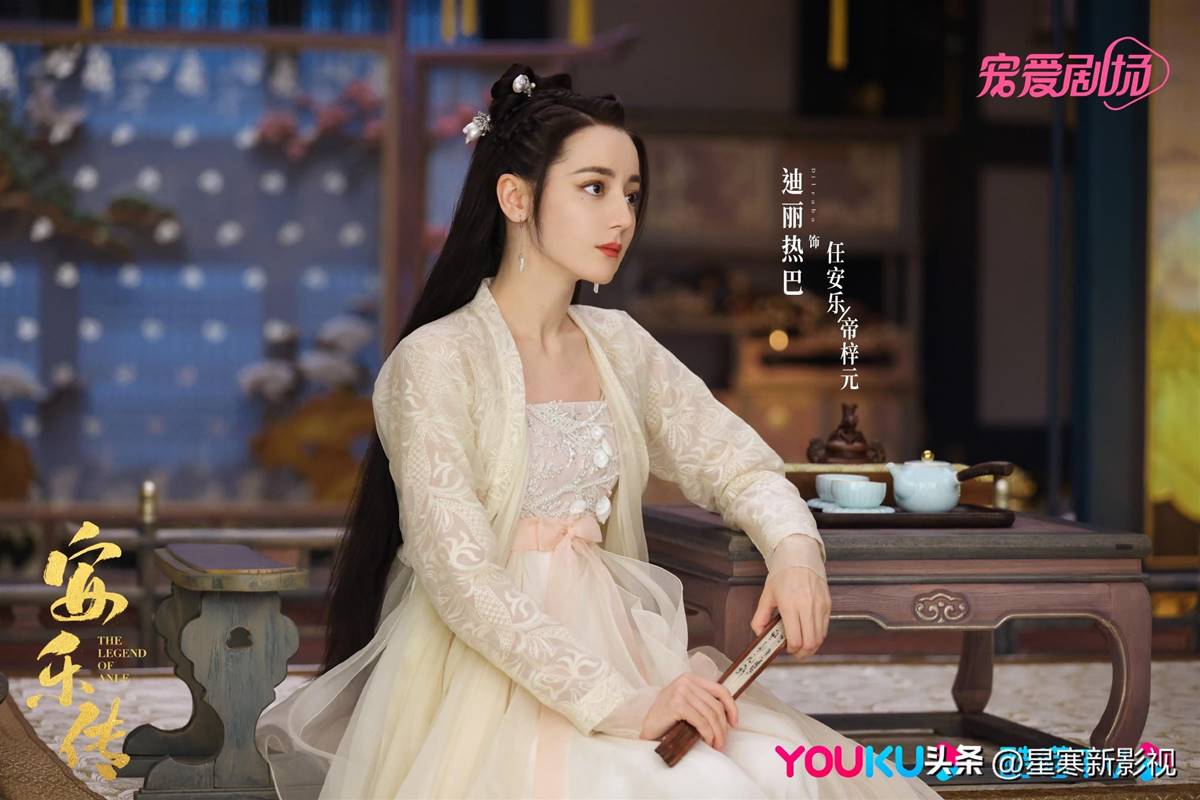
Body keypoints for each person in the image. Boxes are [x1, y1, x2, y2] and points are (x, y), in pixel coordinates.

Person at [256, 63, 943, 800]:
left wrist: (797, 551)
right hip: (490, 671)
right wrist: (624, 705)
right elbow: (461, 577)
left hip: (622, 639)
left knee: (795, 776)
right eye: (594, 188)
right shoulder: (436, 361)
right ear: (515, 197)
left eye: (631, 194)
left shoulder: (618, 343)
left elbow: (736, 462)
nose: (622, 218)